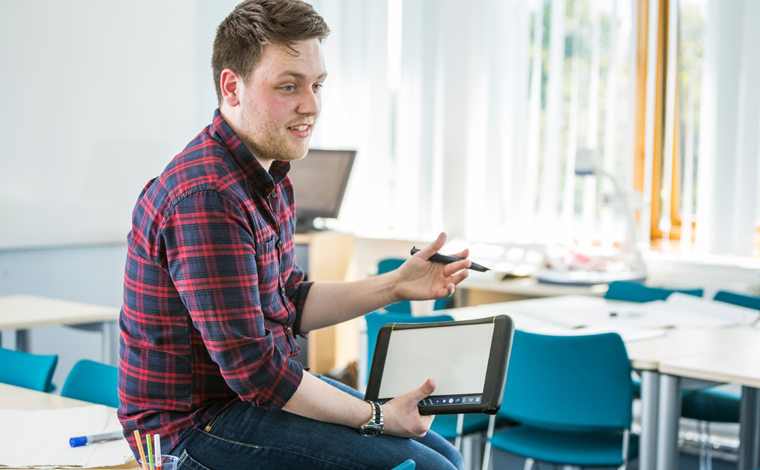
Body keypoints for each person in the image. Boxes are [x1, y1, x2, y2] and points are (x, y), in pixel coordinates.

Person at [117, 1, 471, 469]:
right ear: (232, 87)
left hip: (242, 402)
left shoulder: (270, 176)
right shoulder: (207, 196)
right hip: (190, 430)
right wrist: (378, 416)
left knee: (442, 452)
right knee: (430, 468)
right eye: (289, 87)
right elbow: (257, 373)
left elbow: (287, 300)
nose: (312, 105)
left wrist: (395, 284)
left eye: (317, 84)